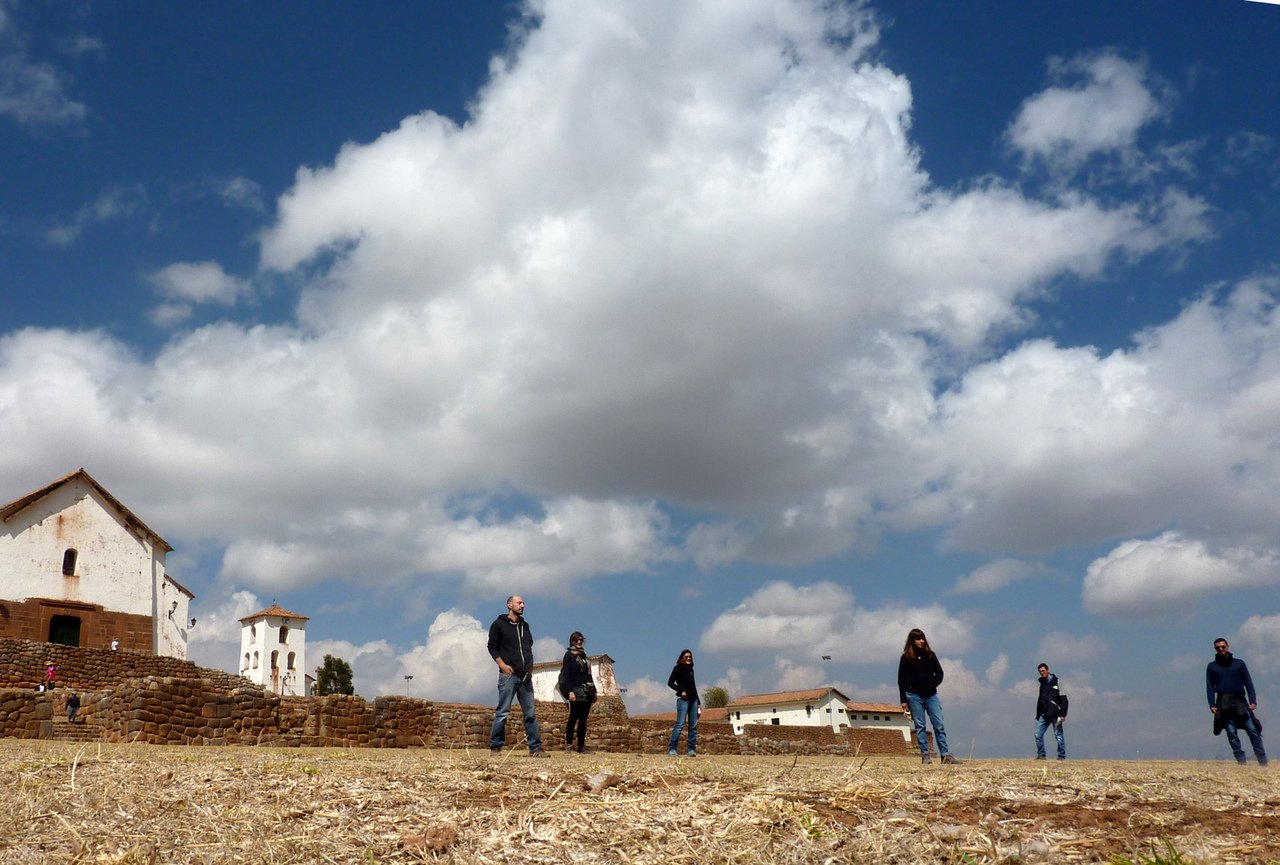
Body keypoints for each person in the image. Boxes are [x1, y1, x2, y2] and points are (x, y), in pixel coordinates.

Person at [487, 595, 545, 757]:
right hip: (509, 675)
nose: (523, 605)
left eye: (524, 603)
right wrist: (502, 665)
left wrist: (529, 668)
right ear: (509, 605)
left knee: (530, 714)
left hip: (525, 676)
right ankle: (496, 747)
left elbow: (528, 646)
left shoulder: (525, 626)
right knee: (503, 711)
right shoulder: (498, 624)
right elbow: (492, 647)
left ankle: (535, 748)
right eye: (519, 603)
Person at [898, 628, 960, 765]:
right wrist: (903, 700)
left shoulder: (930, 655)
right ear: (912, 641)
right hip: (913, 696)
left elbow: (939, 673)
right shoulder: (906, 658)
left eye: (923, 638)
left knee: (939, 724)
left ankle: (945, 755)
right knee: (920, 725)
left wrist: (932, 684)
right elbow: (901, 680)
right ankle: (925, 755)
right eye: (918, 639)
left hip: (931, 695)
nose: (921, 641)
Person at [1207, 637, 1267, 765]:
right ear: (1215, 649)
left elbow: (1248, 683)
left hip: (1240, 701)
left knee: (1253, 730)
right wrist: (1212, 704)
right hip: (1223, 702)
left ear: (1228, 646)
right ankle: (1241, 762)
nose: (1221, 649)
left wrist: (1253, 700)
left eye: (1223, 647)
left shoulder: (1239, 664)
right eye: (1218, 648)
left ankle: (1262, 761)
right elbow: (1210, 686)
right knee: (1231, 732)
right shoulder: (1212, 667)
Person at [557, 631, 596, 753]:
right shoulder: (568, 655)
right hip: (575, 690)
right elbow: (566, 675)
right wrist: (570, 691)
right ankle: (569, 746)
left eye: (580, 640)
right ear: (572, 641)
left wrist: (594, 691)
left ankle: (581, 746)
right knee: (573, 718)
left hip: (586, 692)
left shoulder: (585, 657)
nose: (579, 642)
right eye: (576, 640)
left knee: (583, 720)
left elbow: (589, 676)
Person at [666, 649, 700, 757]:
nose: (688, 658)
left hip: (694, 699)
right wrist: (681, 691)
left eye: (690, 657)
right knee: (680, 724)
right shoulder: (677, 669)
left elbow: (693, 687)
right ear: (682, 658)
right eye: (686, 657)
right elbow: (670, 683)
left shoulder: (691, 670)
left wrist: (698, 703)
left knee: (693, 725)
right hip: (683, 700)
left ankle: (691, 749)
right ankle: (672, 748)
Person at [1034, 662, 1068, 760]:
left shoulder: (1057, 682)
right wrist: (1038, 713)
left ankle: (1061, 755)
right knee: (1037, 734)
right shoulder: (1042, 683)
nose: (1042, 673)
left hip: (1055, 714)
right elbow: (1041, 699)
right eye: (1040, 672)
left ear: (1048, 670)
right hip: (1044, 714)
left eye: (1043, 671)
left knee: (1058, 735)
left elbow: (1064, 698)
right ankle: (1041, 755)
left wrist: (1063, 714)